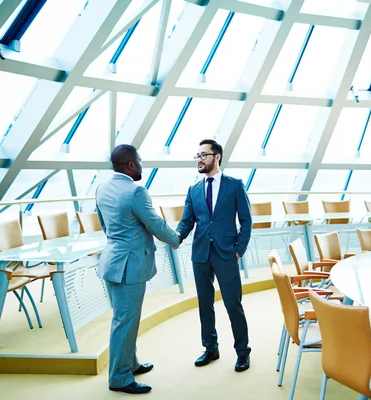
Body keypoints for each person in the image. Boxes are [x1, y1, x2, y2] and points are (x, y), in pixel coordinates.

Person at [96, 144, 180, 394]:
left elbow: (104, 224)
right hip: (129, 267)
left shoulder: (102, 188)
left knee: (125, 319)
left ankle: (130, 364)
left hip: (112, 260)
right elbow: (154, 223)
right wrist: (175, 239)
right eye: (140, 161)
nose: (142, 166)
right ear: (131, 165)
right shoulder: (135, 191)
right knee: (124, 321)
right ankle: (120, 377)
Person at [176, 139, 253, 372]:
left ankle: (242, 352)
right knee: (204, 305)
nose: (199, 159)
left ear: (217, 156)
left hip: (226, 253)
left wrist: (239, 249)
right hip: (200, 253)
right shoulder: (194, 189)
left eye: (203, 155)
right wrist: (176, 236)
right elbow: (187, 221)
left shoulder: (235, 185)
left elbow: (246, 220)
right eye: (197, 156)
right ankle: (210, 348)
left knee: (233, 304)